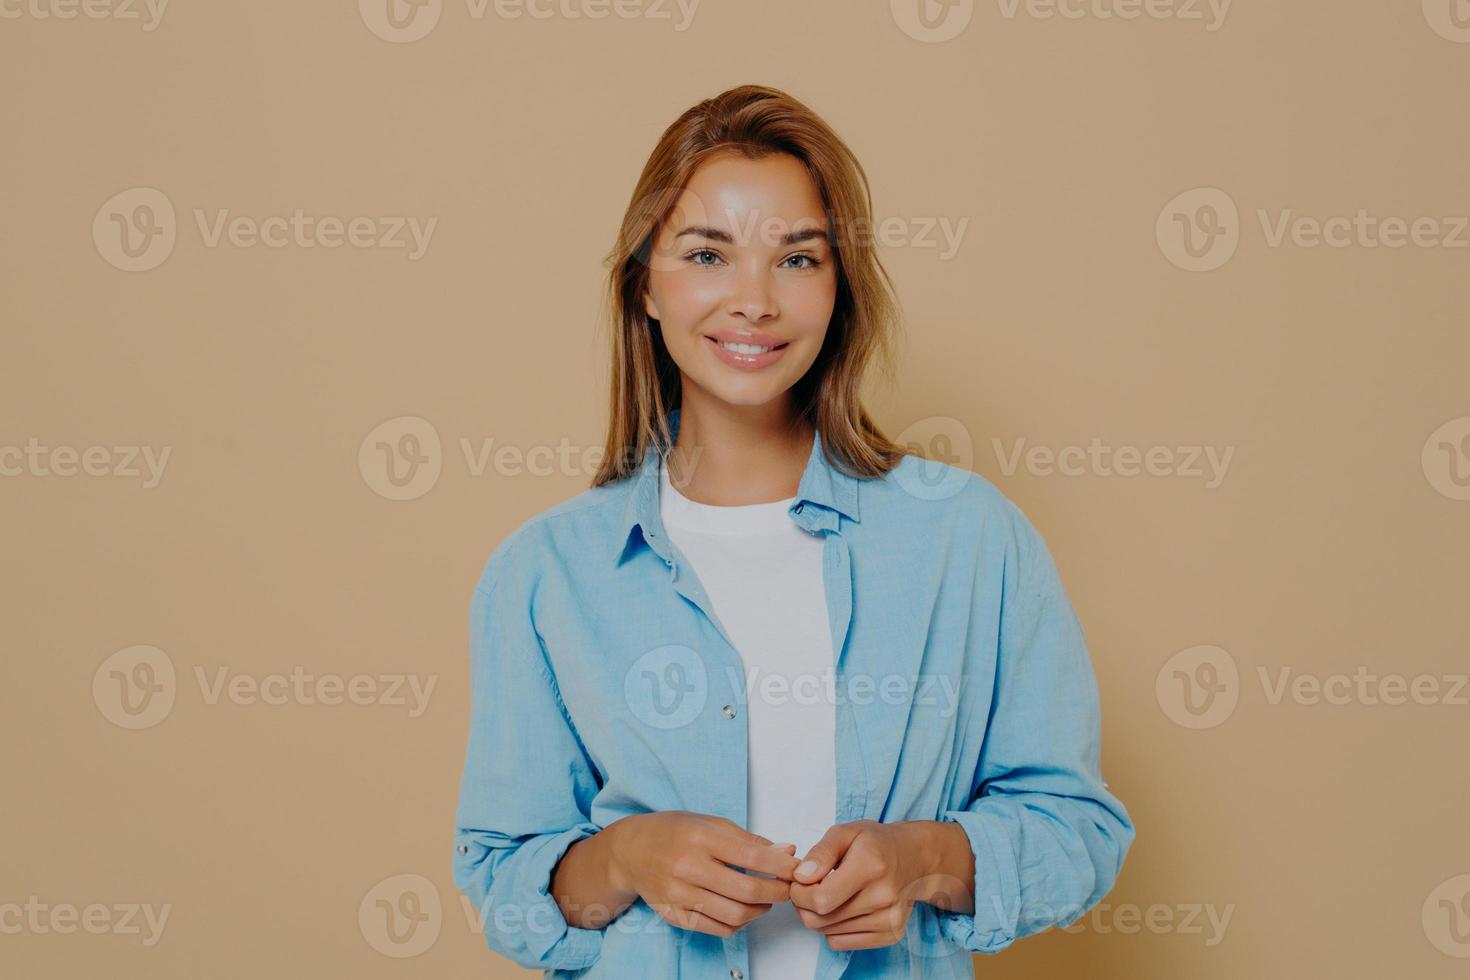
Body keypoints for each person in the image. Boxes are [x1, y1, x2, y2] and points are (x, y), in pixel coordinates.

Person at [452, 83, 1135, 980]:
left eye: (798, 259)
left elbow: (1079, 830)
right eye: (707, 255)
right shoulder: (545, 575)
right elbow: (503, 877)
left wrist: (920, 859)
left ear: (840, 290)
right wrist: (626, 857)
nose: (754, 301)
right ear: (645, 288)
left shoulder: (968, 539)